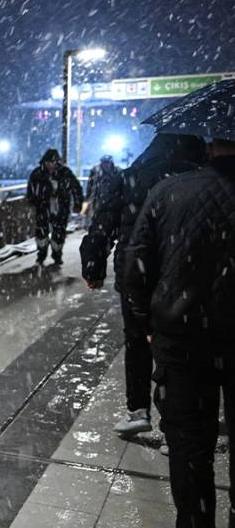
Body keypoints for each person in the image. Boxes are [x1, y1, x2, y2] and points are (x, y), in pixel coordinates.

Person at [124, 136, 235, 528]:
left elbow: (133, 269)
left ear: (210, 147)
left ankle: (195, 519)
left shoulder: (169, 191)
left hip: (183, 345)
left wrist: (149, 328)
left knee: (189, 448)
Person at [79, 135, 206, 436]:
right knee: (180, 345)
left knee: (136, 339)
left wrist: (93, 266)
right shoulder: (198, 177)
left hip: (136, 273)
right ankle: (172, 422)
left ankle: (138, 410)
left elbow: (102, 224)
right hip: (182, 272)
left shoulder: (132, 176)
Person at [26, 149, 83, 265]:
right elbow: (30, 189)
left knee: (59, 231)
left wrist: (78, 203)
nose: (50, 165)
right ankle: (41, 255)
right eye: (48, 162)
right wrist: (32, 201)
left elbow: (76, 188)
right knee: (41, 231)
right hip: (43, 206)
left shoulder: (65, 173)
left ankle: (57, 255)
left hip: (61, 206)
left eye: (53, 162)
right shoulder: (37, 173)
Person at [81, 155, 119, 229]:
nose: (105, 165)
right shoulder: (96, 171)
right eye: (104, 163)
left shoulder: (116, 171)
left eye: (107, 163)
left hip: (109, 200)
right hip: (99, 200)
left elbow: (90, 187)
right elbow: (90, 187)